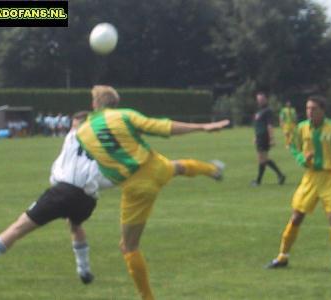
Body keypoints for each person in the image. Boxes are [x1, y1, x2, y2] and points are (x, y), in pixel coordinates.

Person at [76, 85, 229, 300]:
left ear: (94, 104)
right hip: (154, 166)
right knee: (178, 167)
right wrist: (203, 127)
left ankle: (147, 297)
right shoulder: (124, 115)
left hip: (136, 187)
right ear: (115, 103)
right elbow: (162, 127)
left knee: (128, 246)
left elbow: (101, 164)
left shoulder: (82, 132)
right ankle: (212, 170)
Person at [0, 111, 113, 283]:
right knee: (76, 225)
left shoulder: (72, 136)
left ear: (79, 125)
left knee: (19, 227)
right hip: (87, 200)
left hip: (63, 192)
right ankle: (84, 271)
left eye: (74, 122)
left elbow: (62, 162)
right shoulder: (102, 145)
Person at [266, 95, 331, 273]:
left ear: (322, 110)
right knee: (296, 216)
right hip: (311, 177)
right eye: (307, 108)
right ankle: (282, 257)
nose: (309, 112)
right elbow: (293, 147)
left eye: (313, 108)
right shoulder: (302, 128)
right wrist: (301, 159)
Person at [251, 92, 285, 186]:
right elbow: (258, 125)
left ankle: (258, 181)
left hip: (264, 137)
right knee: (263, 159)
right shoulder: (259, 111)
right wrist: (255, 136)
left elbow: (269, 125)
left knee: (262, 159)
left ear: (266, 99)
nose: (260, 101)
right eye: (258, 99)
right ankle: (279, 175)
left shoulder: (268, 111)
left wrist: (271, 138)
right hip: (259, 137)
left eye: (261, 99)